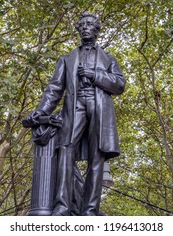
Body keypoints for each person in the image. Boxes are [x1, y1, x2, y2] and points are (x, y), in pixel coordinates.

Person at [27, 12, 126, 216]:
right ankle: (62, 206)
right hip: (74, 106)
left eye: (90, 24)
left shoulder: (109, 59)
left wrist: (95, 75)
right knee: (65, 151)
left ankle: (90, 209)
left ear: (97, 30)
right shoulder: (67, 59)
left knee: (96, 157)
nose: (85, 27)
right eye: (82, 25)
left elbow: (119, 85)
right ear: (78, 29)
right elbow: (54, 89)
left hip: (100, 109)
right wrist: (40, 111)